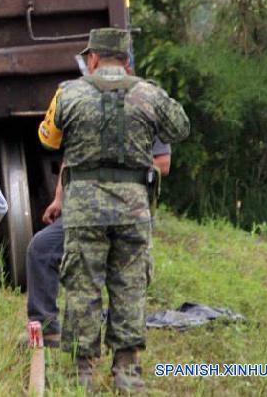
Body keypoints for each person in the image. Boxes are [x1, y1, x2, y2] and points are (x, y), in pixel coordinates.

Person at [36, 28, 189, 392]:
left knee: (82, 288)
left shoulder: (68, 93)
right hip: (133, 209)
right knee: (130, 287)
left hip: (85, 208)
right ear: (126, 60)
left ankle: (81, 375)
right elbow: (180, 127)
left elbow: (47, 138)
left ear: (92, 59)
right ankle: (127, 373)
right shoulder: (147, 92)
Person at [24, 140, 170, 349]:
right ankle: (46, 330)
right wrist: (59, 199)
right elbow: (69, 159)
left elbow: (163, 164)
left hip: (128, 215)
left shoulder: (148, 113)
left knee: (123, 279)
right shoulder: (85, 111)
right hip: (86, 212)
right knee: (41, 247)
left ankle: (123, 351)